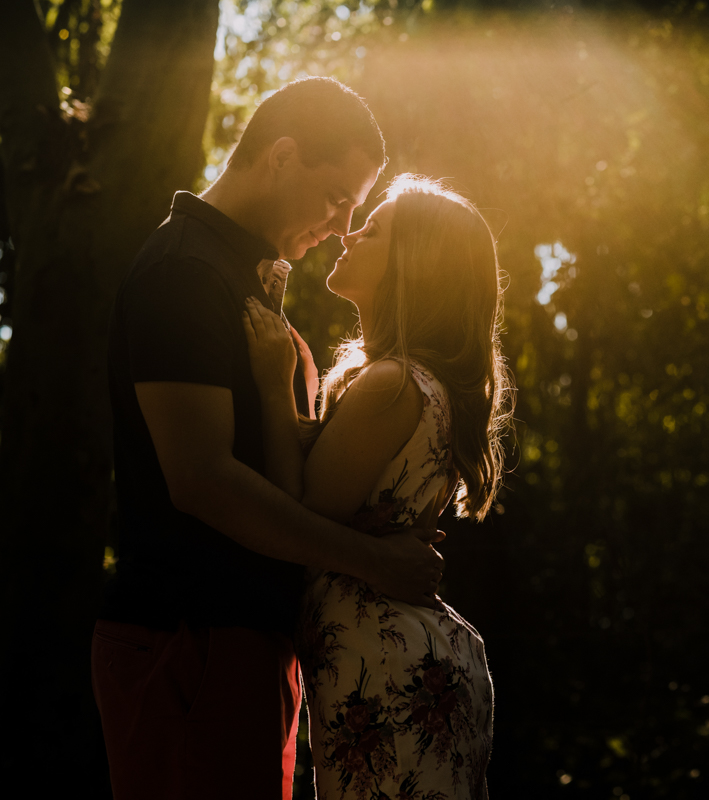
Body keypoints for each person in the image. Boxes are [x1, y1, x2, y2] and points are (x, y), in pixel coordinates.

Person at [93, 78, 446, 800]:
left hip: (243, 642)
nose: (344, 223)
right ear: (283, 156)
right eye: (338, 197)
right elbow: (201, 479)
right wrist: (373, 561)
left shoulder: (244, 278)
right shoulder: (185, 273)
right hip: (187, 641)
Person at [241, 174, 512, 799]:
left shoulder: (392, 385)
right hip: (405, 660)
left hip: (389, 672)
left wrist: (270, 376)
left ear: (413, 265)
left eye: (374, 229)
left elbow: (296, 513)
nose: (349, 232)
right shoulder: (415, 385)